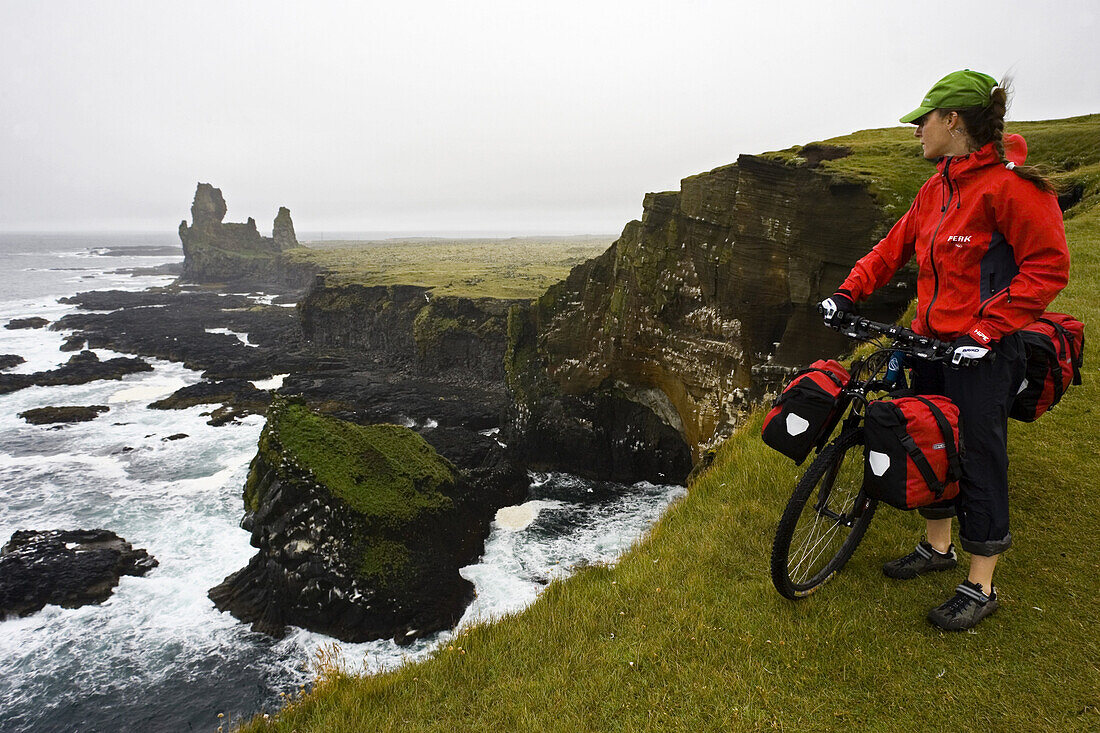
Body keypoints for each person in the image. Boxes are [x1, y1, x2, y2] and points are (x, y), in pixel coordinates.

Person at [819, 69, 1070, 630]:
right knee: (929, 440)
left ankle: (981, 584)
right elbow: (894, 247)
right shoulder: (937, 188)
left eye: (922, 121)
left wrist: (986, 331)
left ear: (952, 120)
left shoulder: (1011, 189)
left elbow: (1049, 266)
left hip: (983, 355)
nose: (916, 132)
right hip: (928, 347)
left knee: (981, 459)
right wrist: (847, 290)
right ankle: (938, 548)